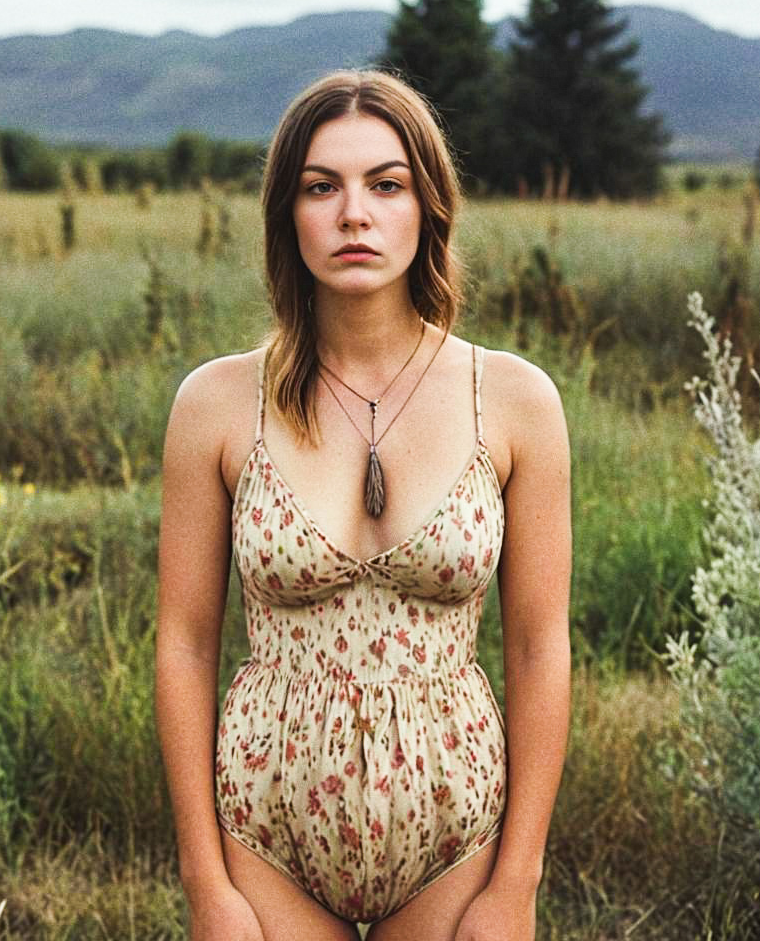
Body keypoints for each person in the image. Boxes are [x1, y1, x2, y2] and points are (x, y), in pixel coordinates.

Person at [155, 69, 571, 941]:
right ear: (287, 213)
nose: (354, 214)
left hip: (458, 839)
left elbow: (539, 649)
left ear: (429, 207)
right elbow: (185, 645)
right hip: (263, 836)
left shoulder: (515, 400)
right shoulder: (218, 403)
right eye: (321, 187)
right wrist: (206, 883)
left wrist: (516, 885)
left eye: (386, 184)